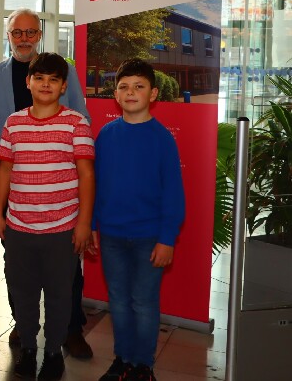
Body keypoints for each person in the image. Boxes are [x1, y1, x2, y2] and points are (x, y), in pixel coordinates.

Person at [0, 7, 93, 359]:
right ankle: (24, 326)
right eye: (17, 33)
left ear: (39, 34)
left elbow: (81, 120)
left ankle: (71, 330)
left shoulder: (62, 70)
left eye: (30, 32)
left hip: (60, 192)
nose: (24, 38)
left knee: (66, 269)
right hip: (13, 188)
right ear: (7, 36)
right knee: (19, 266)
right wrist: (21, 152)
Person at [0, 52, 95, 381]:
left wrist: (83, 224)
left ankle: (53, 351)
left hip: (62, 229)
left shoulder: (76, 123)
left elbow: (86, 175)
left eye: (53, 80)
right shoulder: (14, 123)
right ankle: (27, 348)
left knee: (59, 295)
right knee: (21, 293)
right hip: (20, 228)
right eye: (40, 78)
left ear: (63, 85)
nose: (46, 84)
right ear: (29, 82)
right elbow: (5, 170)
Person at [92, 59, 185, 381]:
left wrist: (167, 238)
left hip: (149, 237)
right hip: (112, 236)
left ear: (153, 93)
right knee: (117, 301)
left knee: (143, 302)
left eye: (139, 86)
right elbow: (96, 184)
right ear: (115, 95)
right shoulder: (105, 135)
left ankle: (143, 365)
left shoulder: (162, 139)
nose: (131, 92)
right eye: (124, 86)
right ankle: (123, 359)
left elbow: (173, 193)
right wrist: (92, 224)